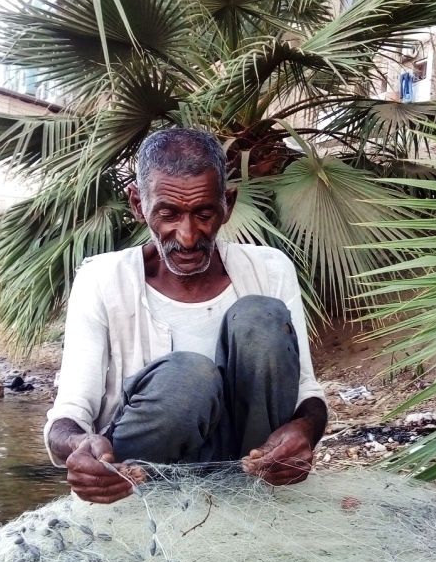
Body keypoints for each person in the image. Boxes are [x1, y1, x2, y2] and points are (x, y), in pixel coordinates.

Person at [44, 129, 328, 504]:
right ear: (137, 204)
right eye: (168, 213)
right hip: (141, 473)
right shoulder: (101, 279)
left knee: (260, 317)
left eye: (204, 213)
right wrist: (80, 445)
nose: (189, 236)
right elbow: (69, 414)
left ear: (227, 204)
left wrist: (304, 430)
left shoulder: (271, 270)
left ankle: (251, 494)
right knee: (187, 378)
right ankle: (132, 497)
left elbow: (306, 392)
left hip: (245, 466)